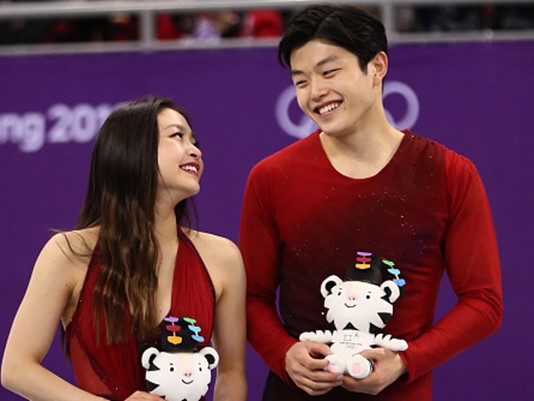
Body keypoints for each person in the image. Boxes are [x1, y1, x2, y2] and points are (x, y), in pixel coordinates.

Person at [239, 4, 502, 401]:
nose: (315, 93)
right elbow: (251, 297)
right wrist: (283, 354)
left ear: (377, 66)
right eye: (301, 81)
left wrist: (407, 360)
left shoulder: (449, 173)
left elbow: (484, 302)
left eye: (329, 72)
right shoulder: (271, 177)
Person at [1, 96, 247, 401]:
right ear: (131, 150)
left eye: (194, 141)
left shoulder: (222, 257)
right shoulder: (69, 252)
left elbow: (232, 372)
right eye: (177, 136)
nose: (195, 150)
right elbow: (16, 368)